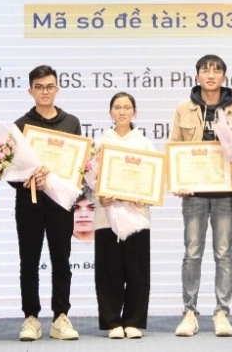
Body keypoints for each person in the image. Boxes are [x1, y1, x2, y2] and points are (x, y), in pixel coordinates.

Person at [170, 55, 232, 337]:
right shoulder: (184, 109)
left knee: (223, 253)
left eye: (216, 71)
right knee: (192, 253)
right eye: (205, 70)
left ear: (224, 76)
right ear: (197, 76)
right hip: (194, 192)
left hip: (226, 191)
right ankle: (189, 312)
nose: (210, 75)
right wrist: (177, 181)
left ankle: (222, 313)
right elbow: (174, 146)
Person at [11, 65, 82, 341]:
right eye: (39, 87)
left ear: (57, 89)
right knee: (29, 261)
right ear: (30, 90)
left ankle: (61, 316)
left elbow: (78, 167)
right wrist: (28, 179)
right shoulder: (20, 126)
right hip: (28, 204)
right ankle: (31, 318)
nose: (45, 92)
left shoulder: (71, 122)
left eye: (49, 86)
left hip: (60, 204)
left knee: (61, 261)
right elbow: (10, 170)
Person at [94, 92, 154, 340]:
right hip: (106, 216)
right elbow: (89, 178)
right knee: (109, 272)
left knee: (137, 271)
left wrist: (145, 196)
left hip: (136, 214)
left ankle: (133, 321)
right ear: (110, 112)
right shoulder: (99, 143)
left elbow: (153, 179)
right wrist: (99, 195)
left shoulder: (144, 143)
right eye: (117, 107)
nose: (121, 111)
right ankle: (112, 322)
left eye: (126, 107)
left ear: (134, 112)